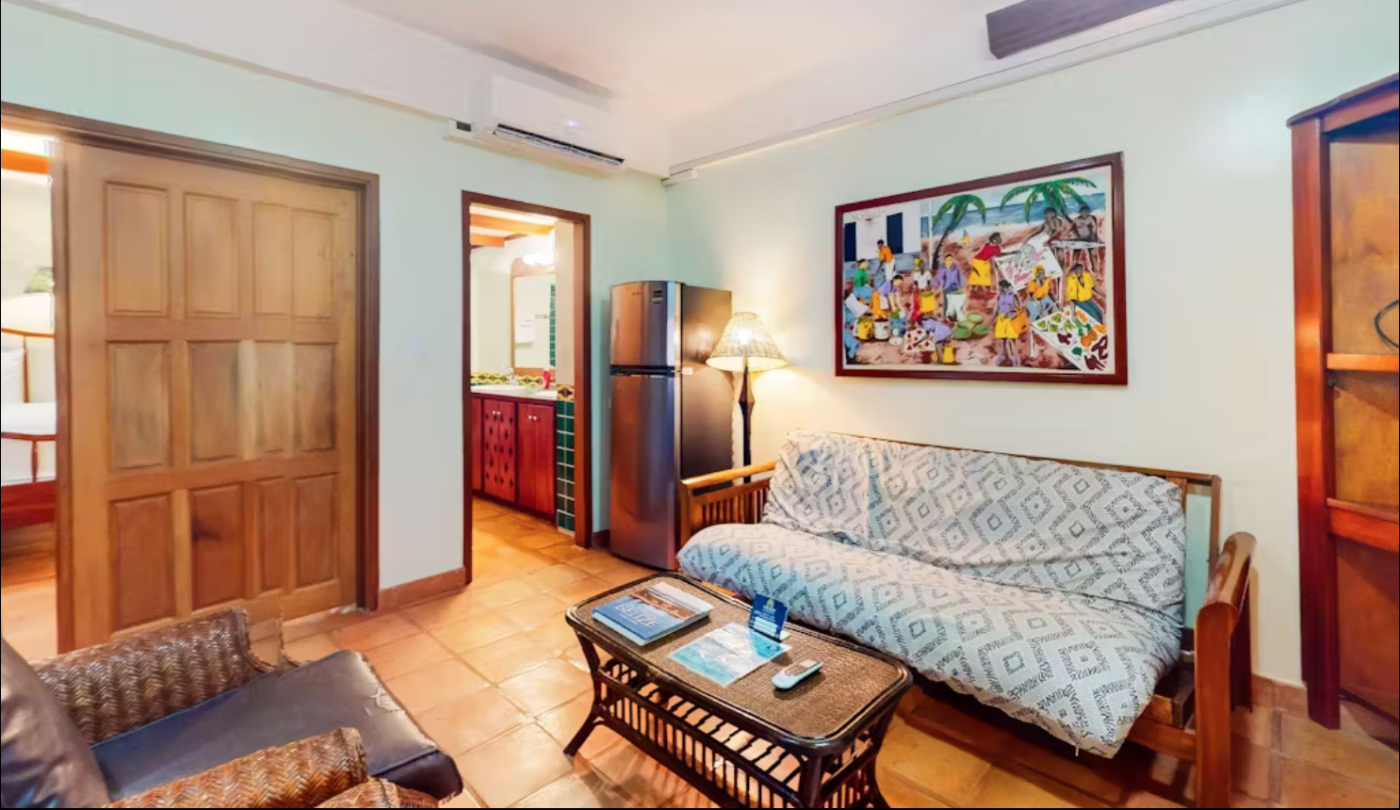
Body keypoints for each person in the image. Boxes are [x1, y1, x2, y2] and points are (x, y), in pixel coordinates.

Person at [994, 279, 1026, 367]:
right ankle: (1002, 357)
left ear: (1004, 287)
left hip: (1011, 319)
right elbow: (997, 308)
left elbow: (1018, 309)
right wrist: (993, 318)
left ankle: (1014, 359)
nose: (999, 289)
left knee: (1011, 340)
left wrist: (1009, 312)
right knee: (1002, 340)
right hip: (1001, 319)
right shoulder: (999, 296)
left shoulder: (1013, 296)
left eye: (1000, 287)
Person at [934, 253, 968, 321]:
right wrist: (936, 287)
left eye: (950, 259)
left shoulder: (956, 267)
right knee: (947, 303)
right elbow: (939, 278)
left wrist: (963, 286)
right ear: (945, 261)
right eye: (947, 260)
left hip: (956, 286)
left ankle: (957, 317)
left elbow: (960, 276)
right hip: (947, 287)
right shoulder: (943, 269)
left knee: (957, 302)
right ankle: (945, 318)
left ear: (952, 260)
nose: (949, 261)